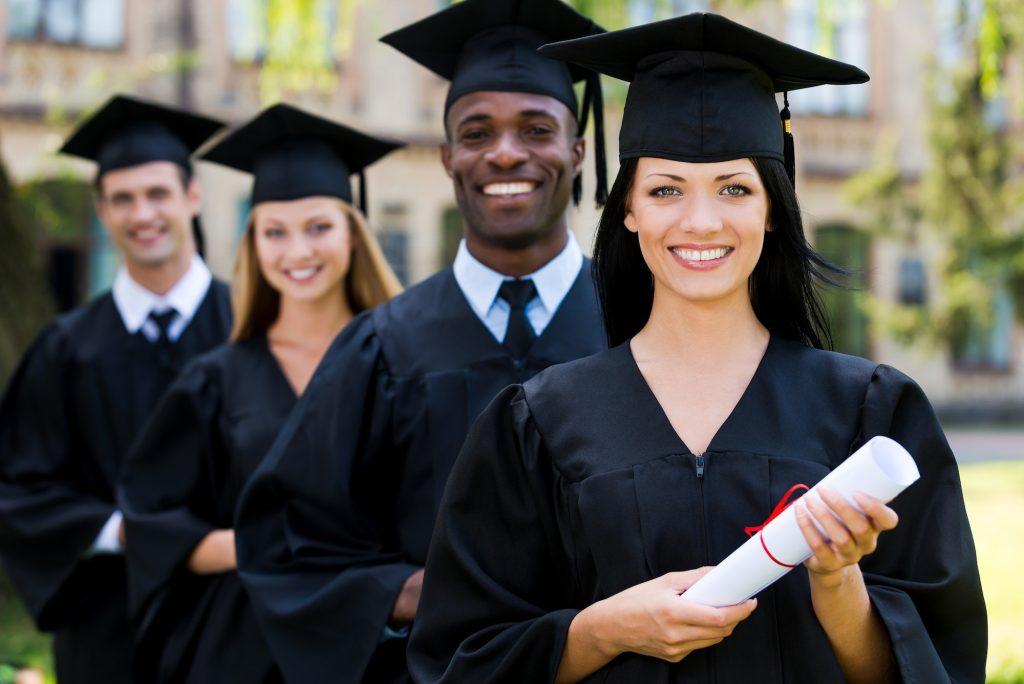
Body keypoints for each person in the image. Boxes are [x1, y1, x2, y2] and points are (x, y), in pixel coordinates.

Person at [408, 13, 988, 684]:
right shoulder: (539, 423)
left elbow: (938, 666)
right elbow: (460, 661)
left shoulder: (869, 413)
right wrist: (600, 631)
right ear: (628, 208)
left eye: (734, 189)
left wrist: (837, 582)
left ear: (772, 206)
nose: (701, 222)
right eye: (665, 190)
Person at [234, 1, 609, 682]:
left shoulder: (640, 327)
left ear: (577, 151)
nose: (504, 151)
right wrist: (412, 594)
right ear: (447, 157)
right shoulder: (379, 346)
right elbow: (288, 540)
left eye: (536, 128)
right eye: (477, 131)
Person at [119, 103, 404, 684]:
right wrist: (263, 551)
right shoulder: (216, 379)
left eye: (319, 227)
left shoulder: (407, 361)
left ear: (353, 231)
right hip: (243, 647)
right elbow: (153, 524)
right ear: (254, 242)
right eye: (274, 232)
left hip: (383, 645)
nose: (297, 252)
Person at [0, 94, 231, 684]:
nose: (142, 214)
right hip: (108, 628)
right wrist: (121, 531)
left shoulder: (254, 328)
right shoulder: (66, 349)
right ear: (102, 212)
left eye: (158, 193)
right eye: (122, 198)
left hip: (238, 618)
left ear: (192, 197)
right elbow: (22, 487)